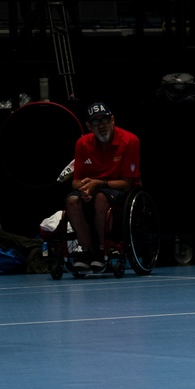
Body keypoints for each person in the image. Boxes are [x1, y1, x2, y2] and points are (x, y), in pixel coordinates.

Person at [64, 102, 141, 273]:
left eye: (105, 120)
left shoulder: (130, 141)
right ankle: (87, 252)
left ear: (112, 120)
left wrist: (99, 184)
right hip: (93, 188)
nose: (101, 125)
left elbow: (127, 183)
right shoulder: (82, 144)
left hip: (118, 189)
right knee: (72, 201)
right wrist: (84, 189)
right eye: (96, 123)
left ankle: (102, 249)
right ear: (89, 126)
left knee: (100, 197)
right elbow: (75, 181)